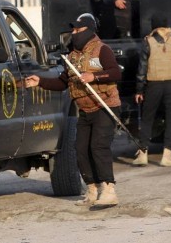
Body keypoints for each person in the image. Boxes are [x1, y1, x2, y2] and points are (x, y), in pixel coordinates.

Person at [24, 14, 122, 208]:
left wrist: (95, 77)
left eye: (78, 30)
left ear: (89, 30)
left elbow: (116, 72)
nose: (74, 34)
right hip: (85, 109)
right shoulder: (72, 57)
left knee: (98, 146)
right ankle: (92, 189)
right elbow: (63, 83)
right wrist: (40, 82)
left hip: (105, 106)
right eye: (73, 31)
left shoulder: (102, 50)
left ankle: (109, 189)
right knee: (80, 149)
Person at [132, 13, 171, 167]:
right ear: (167, 25)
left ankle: (143, 154)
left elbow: (142, 69)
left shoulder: (148, 41)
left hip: (153, 85)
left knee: (147, 119)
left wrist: (139, 90)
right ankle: (167, 156)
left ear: (153, 26)